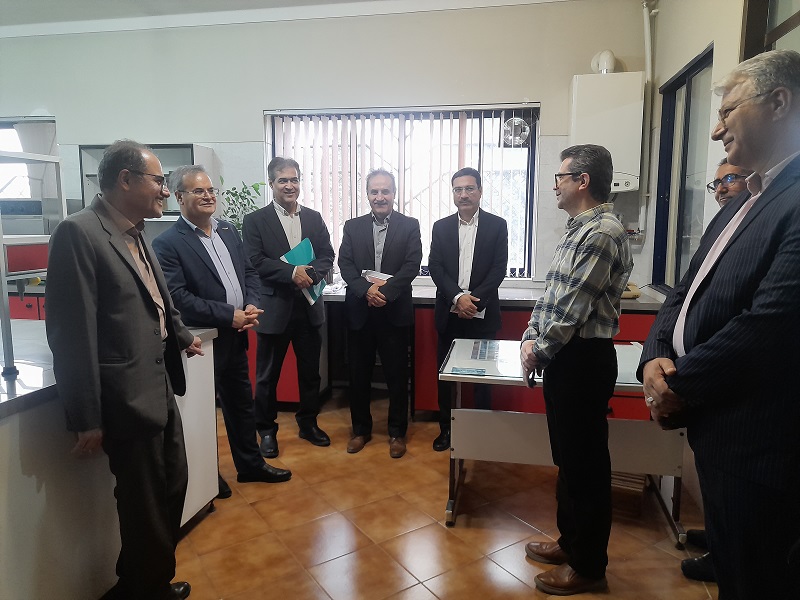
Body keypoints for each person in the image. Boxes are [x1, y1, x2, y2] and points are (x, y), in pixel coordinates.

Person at [639, 49, 800, 599]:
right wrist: (654, 356)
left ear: (779, 103)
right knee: (734, 567)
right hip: (719, 429)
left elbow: (771, 326)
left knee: (758, 579)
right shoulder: (741, 200)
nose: (715, 130)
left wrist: (676, 385)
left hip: (760, 442)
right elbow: (684, 293)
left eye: (728, 111)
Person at [45, 140, 203, 600]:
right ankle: (146, 588)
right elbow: (71, 333)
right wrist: (86, 417)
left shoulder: (135, 231)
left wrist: (181, 335)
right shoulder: (78, 233)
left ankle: (140, 582)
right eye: (159, 181)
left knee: (173, 485)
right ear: (126, 180)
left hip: (158, 387)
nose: (166, 191)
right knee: (143, 504)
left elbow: (155, 300)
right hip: (123, 397)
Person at [520, 144, 633, 596]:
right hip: (565, 358)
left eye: (560, 177)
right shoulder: (578, 228)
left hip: (583, 360)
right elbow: (551, 295)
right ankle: (570, 543)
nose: (555, 185)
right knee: (568, 461)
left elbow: (572, 308)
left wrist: (538, 351)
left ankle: (587, 567)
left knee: (585, 468)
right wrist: (529, 336)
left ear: (582, 181)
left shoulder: (603, 231)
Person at [152, 165, 291, 497]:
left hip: (235, 336)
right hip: (202, 341)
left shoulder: (227, 230)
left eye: (211, 190)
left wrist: (252, 303)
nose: (208, 196)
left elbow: (249, 272)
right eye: (198, 191)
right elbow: (179, 298)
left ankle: (250, 465)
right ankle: (206, 477)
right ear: (179, 197)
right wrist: (230, 315)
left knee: (241, 404)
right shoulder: (167, 243)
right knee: (201, 411)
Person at [680, 157, 752, 584]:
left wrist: (687, 373)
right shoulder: (721, 225)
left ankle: (726, 554)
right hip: (704, 377)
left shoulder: (767, 219)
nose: (722, 188)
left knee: (733, 476)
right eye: (717, 183)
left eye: (730, 179)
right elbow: (685, 291)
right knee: (711, 466)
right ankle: (718, 538)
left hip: (732, 377)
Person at [242, 157, 335, 458]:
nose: (289, 185)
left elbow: (327, 255)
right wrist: (291, 273)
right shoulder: (255, 221)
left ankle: (308, 424)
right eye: (283, 180)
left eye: (294, 179)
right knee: (267, 377)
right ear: (271, 183)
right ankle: (267, 431)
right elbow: (254, 261)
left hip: (309, 307)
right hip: (274, 309)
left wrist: (311, 274)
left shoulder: (314, 218)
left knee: (310, 374)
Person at [338, 169, 422, 458]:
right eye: (374, 191)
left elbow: (412, 265)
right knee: (358, 375)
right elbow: (345, 264)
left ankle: (397, 433)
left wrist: (385, 292)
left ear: (394, 193)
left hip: (394, 311)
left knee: (397, 376)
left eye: (385, 191)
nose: (380, 196)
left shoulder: (409, 226)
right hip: (360, 311)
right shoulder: (352, 227)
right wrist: (367, 291)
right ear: (367, 195)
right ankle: (360, 430)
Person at [428, 167, 508, 452]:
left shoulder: (497, 225)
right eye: (458, 189)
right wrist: (457, 297)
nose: (463, 194)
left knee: (482, 378)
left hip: (482, 314)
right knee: (446, 378)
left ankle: (480, 432)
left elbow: (499, 268)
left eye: (469, 188)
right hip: (449, 314)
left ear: (480, 192)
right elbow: (435, 267)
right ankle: (446, 430)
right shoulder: (441, 227)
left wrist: (473, 301)